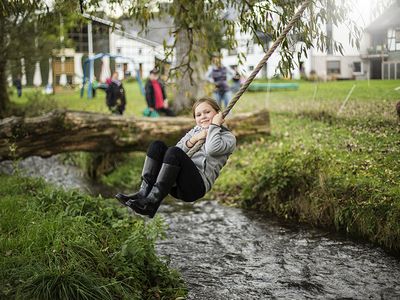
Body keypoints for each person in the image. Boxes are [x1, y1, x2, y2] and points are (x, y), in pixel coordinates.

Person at [115, 97, 236, 218]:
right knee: (157, 146)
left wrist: (214, 125)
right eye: (198, 115)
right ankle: (144, 193)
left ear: (218, 113)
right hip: (173, 183)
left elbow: (212, 149)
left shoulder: (227, 137)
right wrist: (195, 138)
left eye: (207, 112)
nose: (203, 116)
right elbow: (178, 150)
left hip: (194, 187)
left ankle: (152, 202)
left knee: (174, 152)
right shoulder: (195, 131)